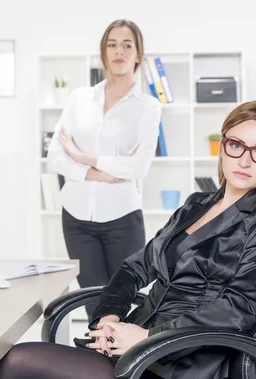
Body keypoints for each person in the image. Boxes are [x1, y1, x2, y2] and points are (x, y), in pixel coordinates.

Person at [0, 100, 256, 379]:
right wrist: (109, 317)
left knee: (15, 363)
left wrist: (147, 337)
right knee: (14, 362)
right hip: (132, 343)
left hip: (179, 360)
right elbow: (136, 268)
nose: (245, 159)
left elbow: (238, 308)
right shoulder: (196, 204)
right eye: (237, 145)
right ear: (223, 145)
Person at [46, 19, 162, 319]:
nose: (119, 51)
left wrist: (84, 157)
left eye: (127, 45)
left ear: (138, 55)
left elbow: (139, 166)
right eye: (112, 44)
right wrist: (102, 172)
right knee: (92, 306)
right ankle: (96, 365)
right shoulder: (79, 99)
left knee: (127, 302)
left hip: (122, 219)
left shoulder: (147, 107)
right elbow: (55, 156)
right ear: (103, 53)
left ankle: (126, 365)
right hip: (76, 219)